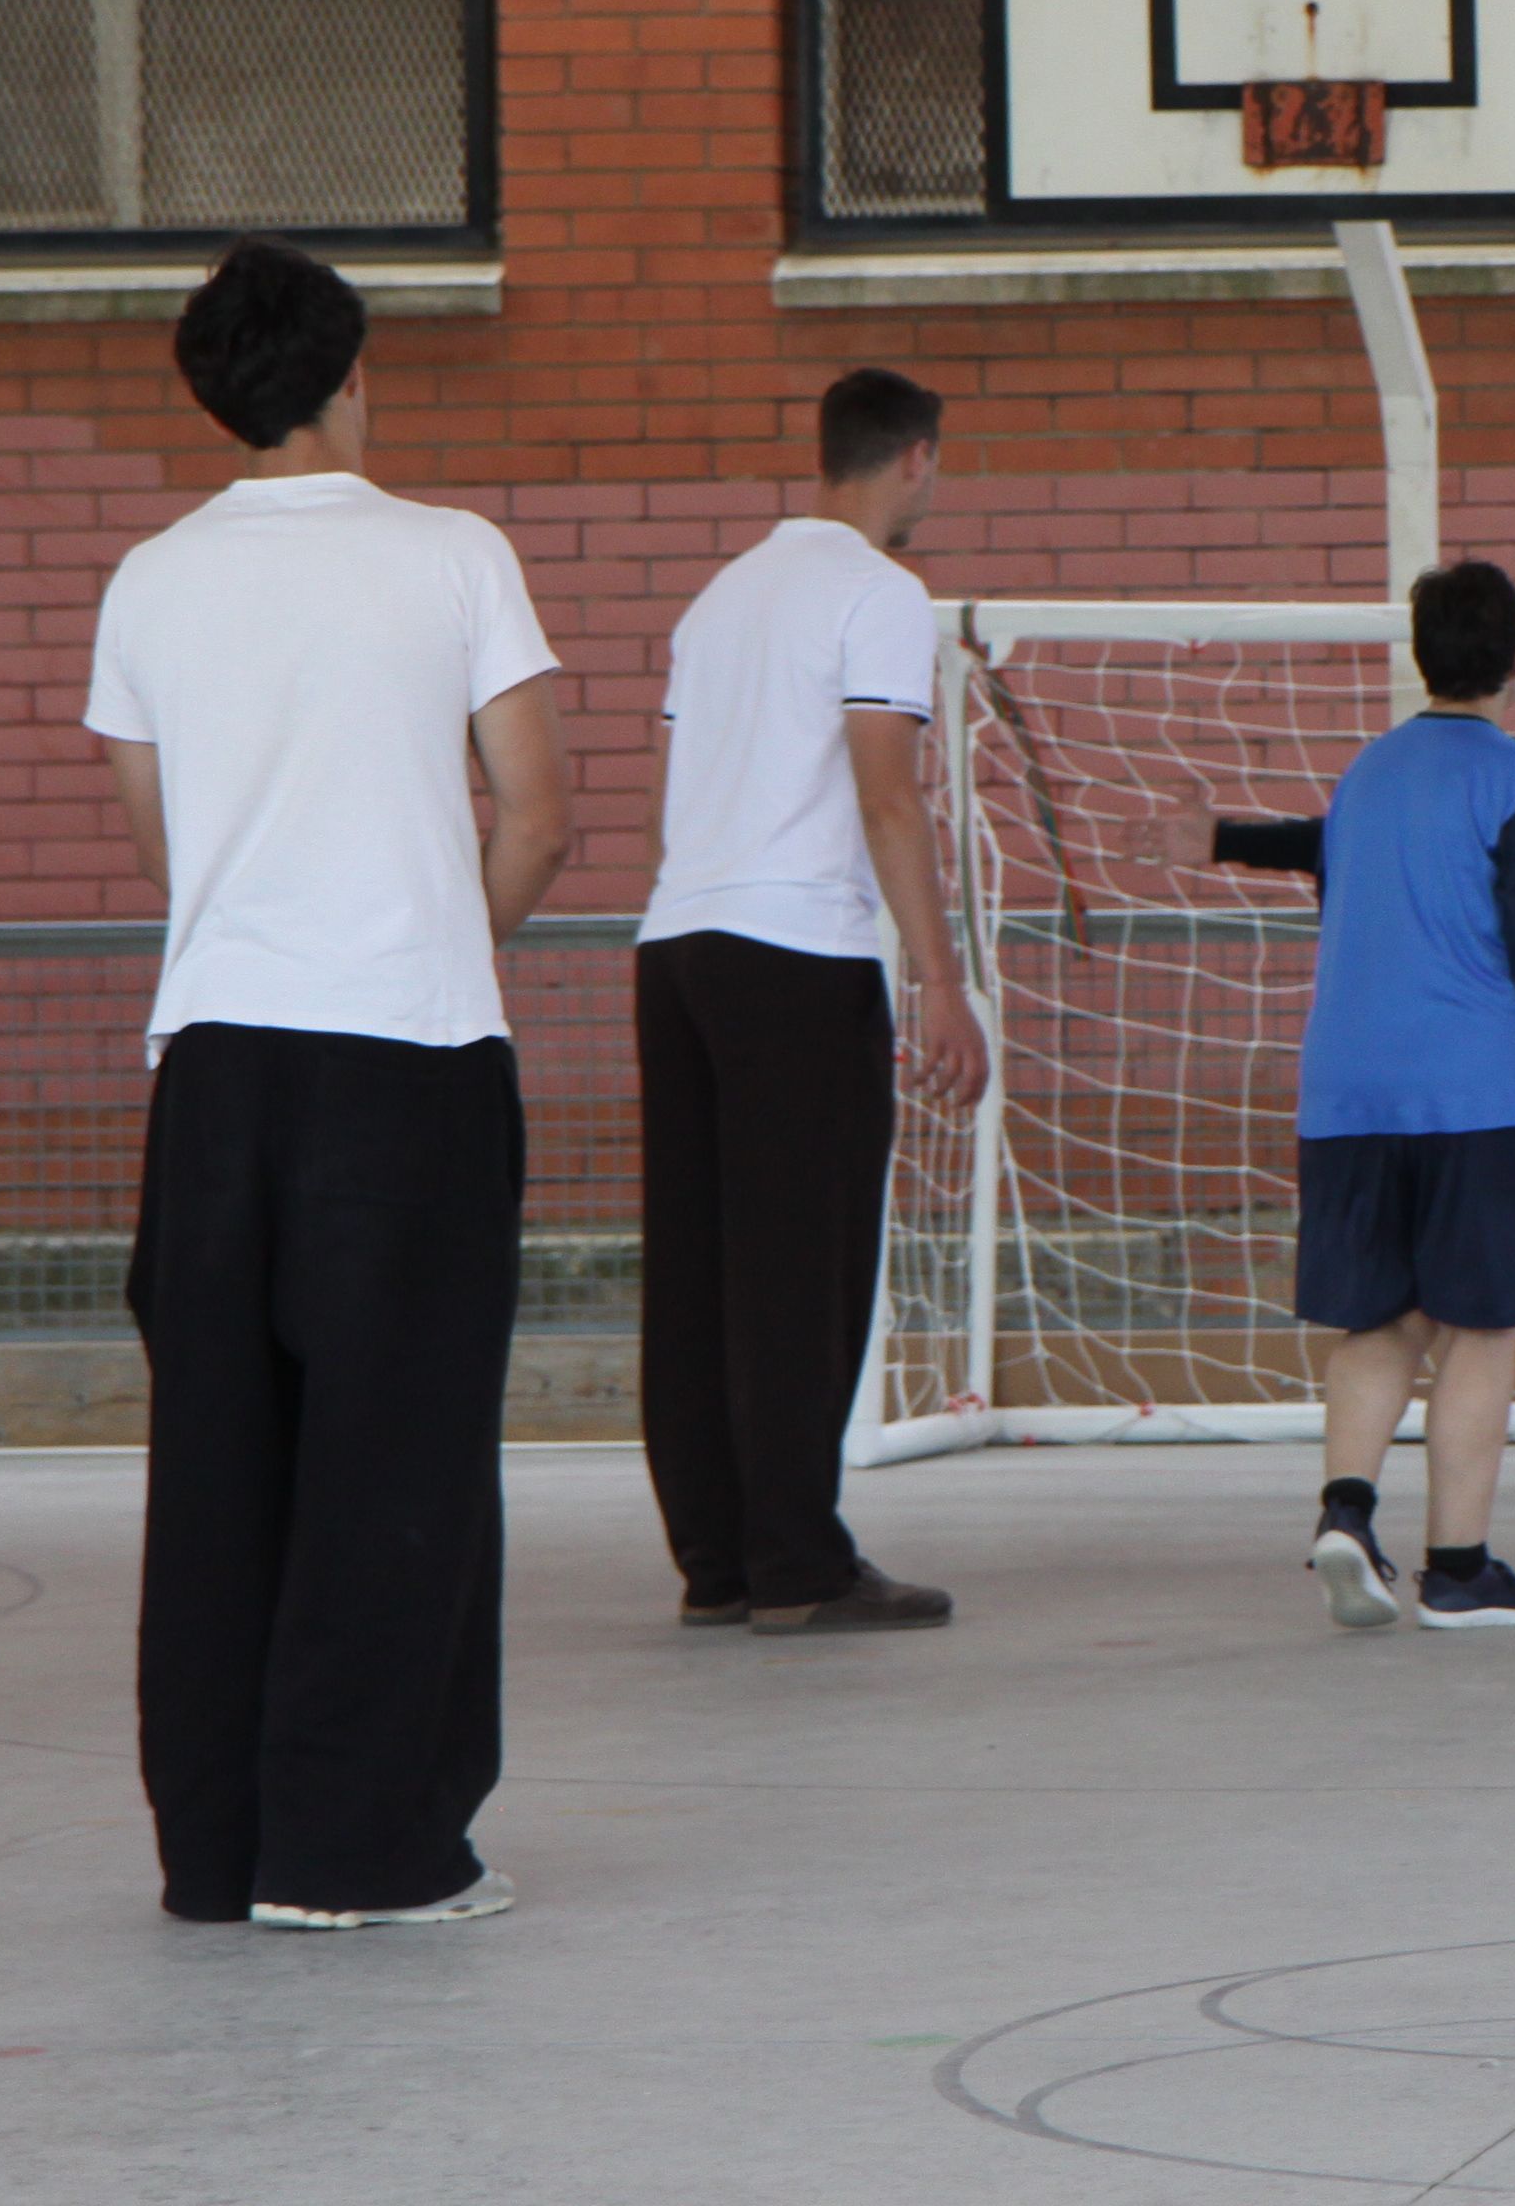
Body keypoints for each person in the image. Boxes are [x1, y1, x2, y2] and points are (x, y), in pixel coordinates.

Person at [86, 237, 567, 1932]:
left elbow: (166, 846)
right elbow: (537, 806)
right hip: (408, 1058)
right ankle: (358, 1850)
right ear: (353, 374)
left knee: (218, 1459)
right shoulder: (451, 554)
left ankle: (215, 1848)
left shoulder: (146, 577)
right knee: (395, 1451)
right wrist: (442, 930)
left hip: (213, 1069)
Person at [633, 368, 989, 1639]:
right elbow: (887, 790)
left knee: (700, 1268)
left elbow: (685, 779)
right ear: (916, 460)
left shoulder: (721, 598)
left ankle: (719, 1558)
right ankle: (796, 1559)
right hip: (794, 953)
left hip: (677, 947)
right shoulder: (880, 592)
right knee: (803, 1266)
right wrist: (940, 981)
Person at [1215, 560, 1515, 1629]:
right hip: (1479, 1095)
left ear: (1418, 655)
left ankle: (1346, 1512)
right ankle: (1462, 1571)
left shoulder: (1365, 775)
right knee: (1482, 1328)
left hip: (1346, 1095)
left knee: (1380, 1318)